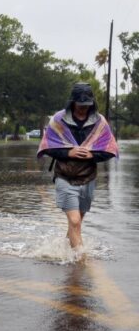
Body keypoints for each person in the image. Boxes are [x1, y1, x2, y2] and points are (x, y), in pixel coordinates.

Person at [37, 82, 118, 250]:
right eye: (80, 105)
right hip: (64, 177)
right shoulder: (58, 120)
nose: (83, 108)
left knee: (77, 223)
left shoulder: (100, 122)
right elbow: (47, 147)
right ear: (72, 102)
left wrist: (92, 155)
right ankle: (80, 262)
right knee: (74, 221)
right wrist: (68, 153)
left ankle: (65, 253)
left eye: (87, 105)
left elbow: (110, 149)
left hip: (88, 178)